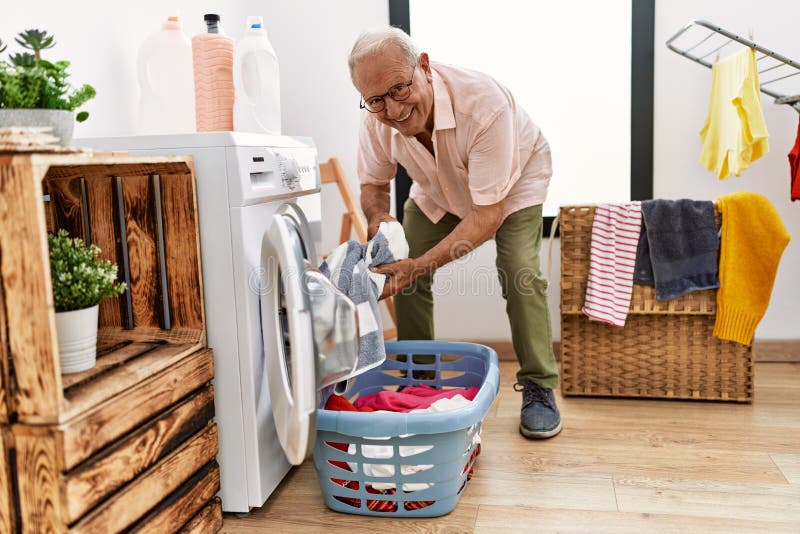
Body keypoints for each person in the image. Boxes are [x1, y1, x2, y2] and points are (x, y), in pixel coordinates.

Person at [348, 27, 561, 439]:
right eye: (376, 100)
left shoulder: (485, 107)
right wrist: (380, 222)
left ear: (424, 67)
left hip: (512, 185)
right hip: (437, 187)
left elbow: (485, 216)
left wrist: (420, 265)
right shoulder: (375, 117)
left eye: (398, 89)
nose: (391, 109)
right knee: (400, 271)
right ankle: (418, 381)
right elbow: (373, 186)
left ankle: (539, 385)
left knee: (518, 271)